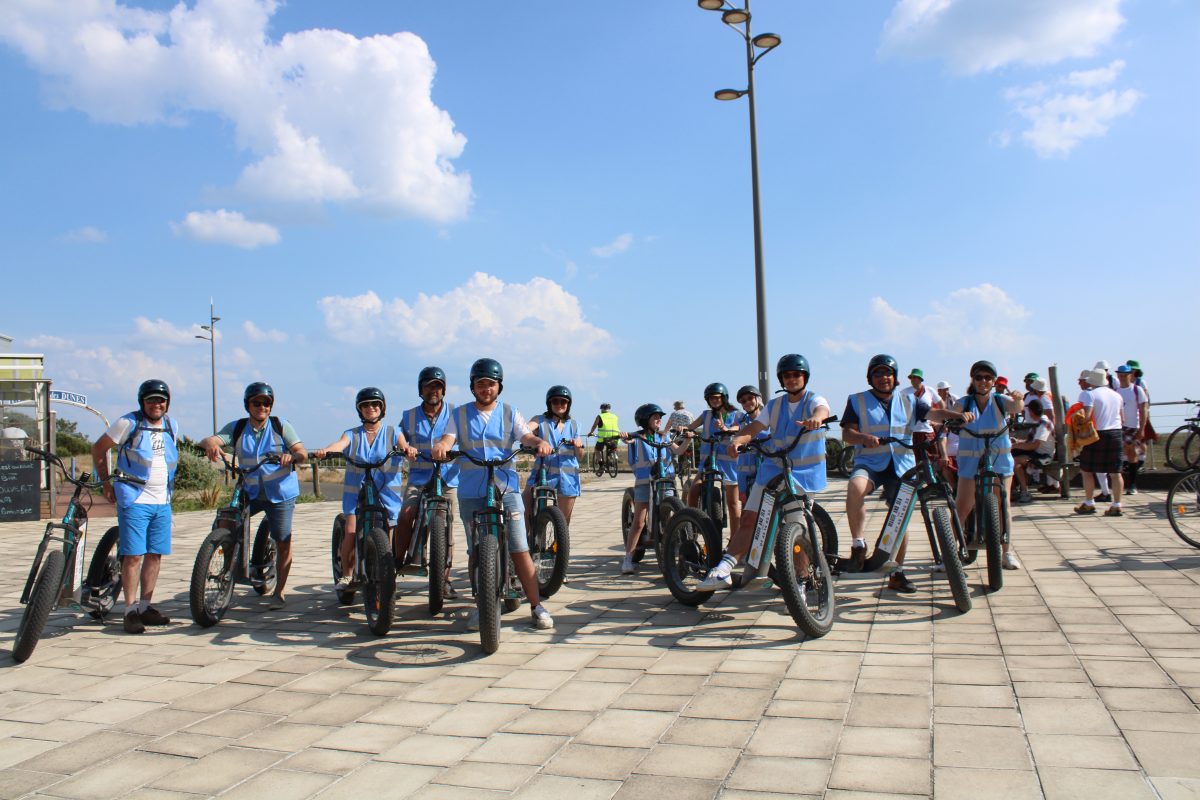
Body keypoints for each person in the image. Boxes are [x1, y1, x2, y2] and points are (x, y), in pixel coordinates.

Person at [431, 358, 554, 630]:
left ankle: (536, 605)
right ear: (473, 387)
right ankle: (481, 605)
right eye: (481, 384)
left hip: (505, 487)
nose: (486, 389)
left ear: (499, 386)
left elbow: (526, 437)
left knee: (519, 547)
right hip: (472, 489)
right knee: (476, 549)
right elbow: (448, 439)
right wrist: (441, 445)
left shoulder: (510, 412)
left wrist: (539, 442)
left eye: (491, 384)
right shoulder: (459, 415)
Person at [699, 355, 828, 590]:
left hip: (803, 473)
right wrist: (738, 440)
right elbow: (755, 427)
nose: (791, 379)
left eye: (796, 374)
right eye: (787, 375)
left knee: (795, 526)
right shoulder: (775, 405)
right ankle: (724, 568)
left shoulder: (813, 399)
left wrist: (816, 420)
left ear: (804, 377)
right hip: (773, 468)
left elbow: (822, 409)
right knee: (750, 517)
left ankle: (801, 580)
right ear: (781, 379)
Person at [840, 355, 943, 591]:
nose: (883, 378)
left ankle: (897, 572)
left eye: (888, 373)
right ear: (870, 378)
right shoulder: (857, 401)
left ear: (895, 377)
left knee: (901, 518)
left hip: (901, 466)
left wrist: (956, 417)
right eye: (877, 374)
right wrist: (863, 438)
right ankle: (858, 544)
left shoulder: (909, 400)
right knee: (855, 487)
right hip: (870, 462)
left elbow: (933, 415)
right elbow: (847, 434)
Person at [200, 382, 307, 609]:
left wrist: (292, 456)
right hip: (250, 490)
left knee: (283, 539)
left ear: (271, 406)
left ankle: (279, 592)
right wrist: (211, 445)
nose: (262, 407)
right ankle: (227, 563)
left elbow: (302, 452)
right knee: (227, 522)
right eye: (256, 403)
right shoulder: (238, 428)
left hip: (279, 493)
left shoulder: (280, 426)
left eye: (266, 403)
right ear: (248, 405)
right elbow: (211, 439)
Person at [90, 379, 179, 634]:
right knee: (133, 556)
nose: (156, 404)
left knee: (155, 554)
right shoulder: (128, 423)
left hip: (162, 500)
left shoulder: (171, 425)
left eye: (160, 400)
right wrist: (106, 482)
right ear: (142, 402)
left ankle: (145, 607)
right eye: (151, 400)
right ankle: (129, 611)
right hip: (135, 498)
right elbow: (98, 448)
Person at [311, 388, 409, 588]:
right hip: (357, 492)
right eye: (365, 405)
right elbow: (339, 444)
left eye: (374, 404)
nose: (370, 408)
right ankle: (347, 574)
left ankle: (389, 568)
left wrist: (410, 450)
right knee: (351, 530)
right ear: (359, 409)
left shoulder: (393, 432)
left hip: (387, 491)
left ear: (382, 408)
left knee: (391, 527)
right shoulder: (352, 434)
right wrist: (326, 450)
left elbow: (404, 446)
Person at [952, 360, 1024, 569]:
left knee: (1004, 505)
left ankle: (1006, 552)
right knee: (962, 507)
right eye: (978, 377)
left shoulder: (1001, 401)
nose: (983, 381)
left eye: (987, 378)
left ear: (993, 381)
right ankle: (949, 552)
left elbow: (1016, 406)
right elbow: (951, 417)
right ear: (972, 380)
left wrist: (1019, 400)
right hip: (969, 464)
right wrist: (956, 418)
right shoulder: (964, 403)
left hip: (1000, 462)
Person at [396, 367, 460, 598]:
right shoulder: (409, 415)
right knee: (405, 515)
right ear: (420, 390)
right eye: (428, 386)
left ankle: (444, 579)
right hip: (420, 477)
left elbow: (462, 437)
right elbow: (398, 434)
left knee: (447, 527)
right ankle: (396, 564)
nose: (433, 390)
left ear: (443, 389)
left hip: (448, 478)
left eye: (437, 386)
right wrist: (406, 447)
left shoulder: (455, 413)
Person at [620, 403, 687, 574]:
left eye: (660, 417)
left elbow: (679, 451)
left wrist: (688, 438)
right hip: (644, 483)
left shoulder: (663, 438)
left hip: (665, 482)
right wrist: (625, 437)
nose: (659, 420)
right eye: (655, 417)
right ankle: (628, 558)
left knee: (670, 516)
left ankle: (677, 550)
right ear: (645, 420)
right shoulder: (639, 437)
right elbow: (629, 440)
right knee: (639, 521)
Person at [685, 382, 742, 536]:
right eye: (711, 399)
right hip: (709, 461)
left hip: (730, 464)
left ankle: (734, 539)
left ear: (724, 398)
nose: (714, 401)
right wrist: (684, 430)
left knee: (733, 503)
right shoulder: (706, 415)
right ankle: (693, 525)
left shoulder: (736, 414)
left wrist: (727, 429)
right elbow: (692, 426)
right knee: (694, 489)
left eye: (717, 398)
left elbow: (740, 427)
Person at [523, 385, 584, 523]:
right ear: (549, 403)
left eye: (563, 401)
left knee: (563, 522)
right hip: (542, 473)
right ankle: (527, 541)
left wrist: (579, 445)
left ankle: (560, 545)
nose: (559, 404)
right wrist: (532, 441)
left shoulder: (574, 425)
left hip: (568, 478)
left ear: (568, 404)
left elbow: (579, 456)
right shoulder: (540, 420)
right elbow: (524, 431)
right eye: (555, 401)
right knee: (524, 510)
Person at [1074, 368, 1124, 516]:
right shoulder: (1117, 395)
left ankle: (1089, 502)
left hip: (1097, 434)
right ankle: (1117, 504)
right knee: (1116, 472)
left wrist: (1076, 424)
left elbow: (1087, 416)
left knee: (1086, 469)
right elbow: (1123, 419)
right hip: (1116, 433)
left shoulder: (1090, 394)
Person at [1012, 400, 1055, 503]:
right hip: (1036, 453)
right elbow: (1030, 441)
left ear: (1031, 412)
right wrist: (1017, 442)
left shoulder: (1043, 425)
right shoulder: (1038, 423)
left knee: (1013, 461)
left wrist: (1014, 446)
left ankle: (1024, 492)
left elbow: (1034, 445)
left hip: (1043, 456)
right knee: (1014, 462)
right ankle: (1016, 490)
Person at [1115, 364, 1148, 495]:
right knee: (1120, 454)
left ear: (1130, 375)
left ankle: (1132, 484)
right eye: (1120, 376)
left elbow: (1143, 409)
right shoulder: (1116, 391)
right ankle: (1121, 484)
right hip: (1118, 426)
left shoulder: (1137, 390)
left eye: (1124, 375)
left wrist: (1142, 427)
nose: (1122, 378)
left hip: (1133, 425)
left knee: (1131, 452)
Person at [733, 385, 767, 502]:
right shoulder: (741, 421)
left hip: (766, 472)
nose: (747, 402)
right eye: (743, 401)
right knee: (747, 511)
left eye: (750, 398)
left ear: (758, 399)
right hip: (745, 476)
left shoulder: (769, 419)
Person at [902, 368, 940, 451]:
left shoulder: (929, 390)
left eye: (914, 377)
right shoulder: (905, 392)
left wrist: (937, 421)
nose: (912, 379)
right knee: (915, 459)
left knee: (932, 459)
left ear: (920, 379)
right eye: (911, 377)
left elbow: (941, 404)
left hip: (927, 430)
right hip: (912, 431)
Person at [586, 403, 620, 471]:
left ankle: (601, 466)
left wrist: (591, 432)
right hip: (616, 437)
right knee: (612, 448)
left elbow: (594, 426)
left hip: (604, 437)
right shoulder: (615, 416)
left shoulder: (600, 416)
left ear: (602, 409)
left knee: (597, 450)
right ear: (609, 409)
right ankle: (612, 457)